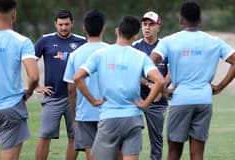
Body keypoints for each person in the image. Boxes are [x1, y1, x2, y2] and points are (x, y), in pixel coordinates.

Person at [150, 1, 235, 160]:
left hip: (180, 99)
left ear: (181, 20)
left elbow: (151, 62)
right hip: (204, 100)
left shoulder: (169, 40)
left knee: (174, 152)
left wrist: (162, 89)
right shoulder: (214, 41)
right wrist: (220, 86)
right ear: (200, 20)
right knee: (197, 154)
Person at [73, 15, 165, 160]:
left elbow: (77, 77)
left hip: (108, 117)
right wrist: (145, 103)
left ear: (117, 31)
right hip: (132, 118)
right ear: (135, 36)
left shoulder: (100, 54)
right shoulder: (141, 56)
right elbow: (159, 81)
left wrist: (93, 101)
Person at [0, 0, 39, 159]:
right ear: (14, 14)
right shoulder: (22, 41)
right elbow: (33, 76)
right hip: (11, 107)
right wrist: (29, 93)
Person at [34, 9, 86, 160]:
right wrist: (37, 86)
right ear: (55, 24)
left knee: (74, 136)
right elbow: (29, 60)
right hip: (53, 97)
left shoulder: (82, 41)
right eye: (61, 24)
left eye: (67, 24)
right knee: (44, 136)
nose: (64, 28)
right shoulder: (45, 40)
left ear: (72, 23)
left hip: (76, 98)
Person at [63, 9, 109, 160]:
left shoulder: (75, 54)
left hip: (85, 113)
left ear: (84, 29)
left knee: (92, 155)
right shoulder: (112, 51)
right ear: (103, 28)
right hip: (110, 112)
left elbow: (71, 89)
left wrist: (75, 116)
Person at [133, 11, 170, 160]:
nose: (147, 28)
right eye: (145, 24)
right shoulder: (135, 46)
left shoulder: (165, 46)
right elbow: (133, 73)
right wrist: (150, 85)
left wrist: (160, 89)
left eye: (151, 25)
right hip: (136, 97)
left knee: (156, 139)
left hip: (158, 100)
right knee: (131, 136)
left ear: (158, 27)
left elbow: (171, 72)